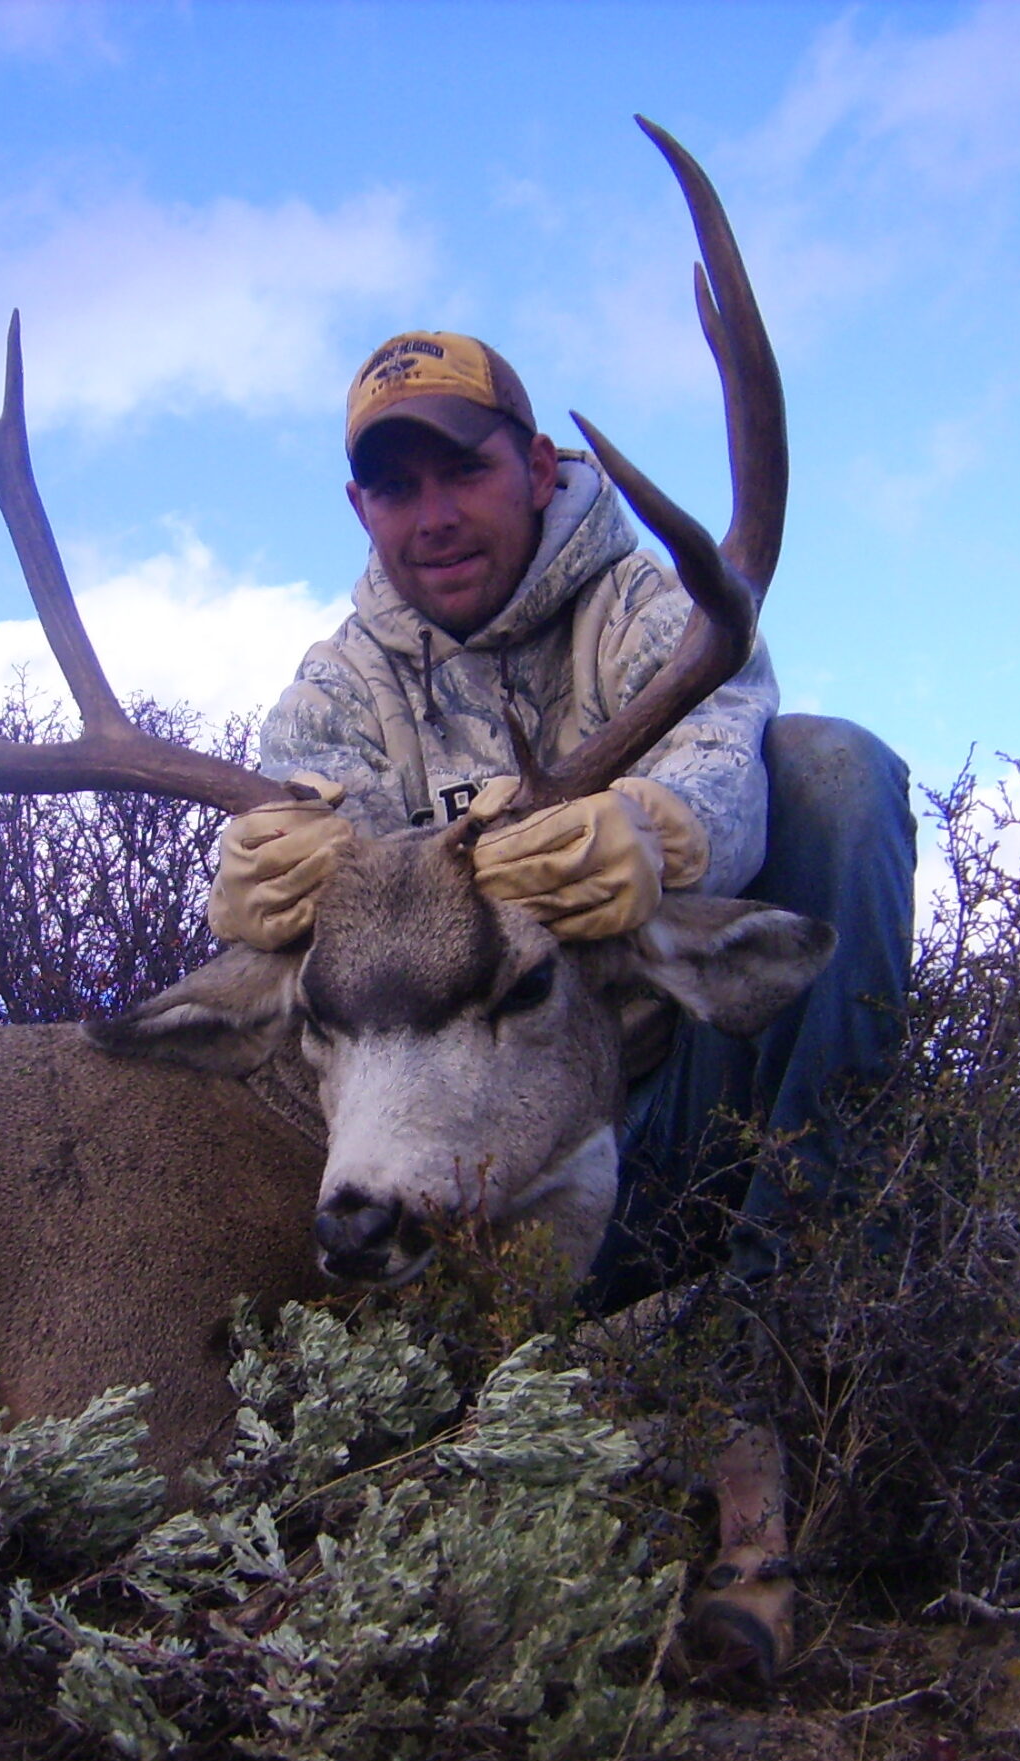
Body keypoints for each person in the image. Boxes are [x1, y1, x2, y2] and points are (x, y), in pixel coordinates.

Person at [205, 328, 918, 1676]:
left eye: (462, 472)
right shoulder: (342, 686)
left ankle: (788, 1313)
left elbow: (729, 759)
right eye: (395, 489)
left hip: (674, 1122)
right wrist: (253, 878)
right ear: (361, 509)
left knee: (837, 777)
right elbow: (294, 824)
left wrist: (650, 830)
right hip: (458, 1167)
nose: (434, 516)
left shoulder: (653, 614)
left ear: (538, 465)